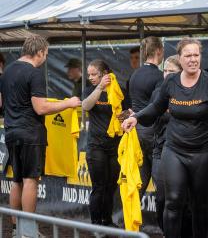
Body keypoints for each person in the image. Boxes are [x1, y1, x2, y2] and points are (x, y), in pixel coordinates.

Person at [122, 37, 208, 238]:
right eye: (188, 55)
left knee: (199, 203)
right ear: (179, 58)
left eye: (196, 55)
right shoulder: (171, 82)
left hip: (204, 153)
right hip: (174, 150)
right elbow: (156, 107)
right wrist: (136, 118)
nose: (193, 59)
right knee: (172, 200)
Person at [1, 35, 81, 236]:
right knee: (30, 180)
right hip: (30, 133)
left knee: (17, 180)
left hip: (11, 132)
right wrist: (69, 103)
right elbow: (41, 107)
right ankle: (28, 231)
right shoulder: (34, 73)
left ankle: (14, 228)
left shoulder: (7, 71)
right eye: (45, 54)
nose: (45, 58)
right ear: (39, 52)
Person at [151, 54, 192, 237]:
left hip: (186, 152)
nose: (166, 74)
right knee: (161, 198)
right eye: (164, 70)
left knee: (185, 201)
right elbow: (153, 114)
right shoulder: (158, 91)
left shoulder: (192, 90)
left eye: (171, 71)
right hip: (161, 150)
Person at [82, 59, 123, 227]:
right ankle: (95, 223)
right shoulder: (90, 90)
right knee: (99, 186)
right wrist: (99, 88)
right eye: (89, 74)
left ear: (105, 74)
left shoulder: (118, 91)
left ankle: (107, 220)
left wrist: (127, 116)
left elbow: (125, 111)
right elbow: (85, 106)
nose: (91, 77)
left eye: (94, 74)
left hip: (114, 145)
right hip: (96, 145)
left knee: (111, 186)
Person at [129, 37, 164, 197]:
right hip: (152, 132)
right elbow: (157, 106)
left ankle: (129, 219)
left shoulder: (135, 75)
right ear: (158, 51)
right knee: (160, 180)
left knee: (141, 178)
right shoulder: (158, 76)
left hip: (137, 131)